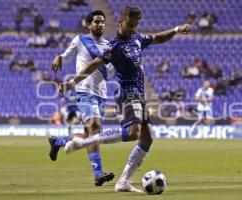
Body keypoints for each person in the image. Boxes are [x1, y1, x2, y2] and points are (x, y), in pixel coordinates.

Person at [59, 6, 192, 192]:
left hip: (139, 95)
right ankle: (85, 142)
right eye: (130, 24)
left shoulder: (137, 39)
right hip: (127, 93)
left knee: (147, 138)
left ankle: (123, 182)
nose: (133, 28)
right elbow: (94, 65)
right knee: (133, 132)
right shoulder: (114, 46)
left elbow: (158, 37)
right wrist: (72, 83)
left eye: (136, 24)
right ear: (120, 22)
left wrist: (177, 29)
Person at [48, 10, 115, 186]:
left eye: (102, 22)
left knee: (91, 134)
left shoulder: (109, 46)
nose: (100, 24)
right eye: (96, 22)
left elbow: (109, 71)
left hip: (101, 94)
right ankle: (98, 173)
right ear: (88, 25)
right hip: (84, 90)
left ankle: (59, 141)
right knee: (94, 127)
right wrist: (58, 57)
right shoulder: (80, 40)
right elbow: (65, 55)